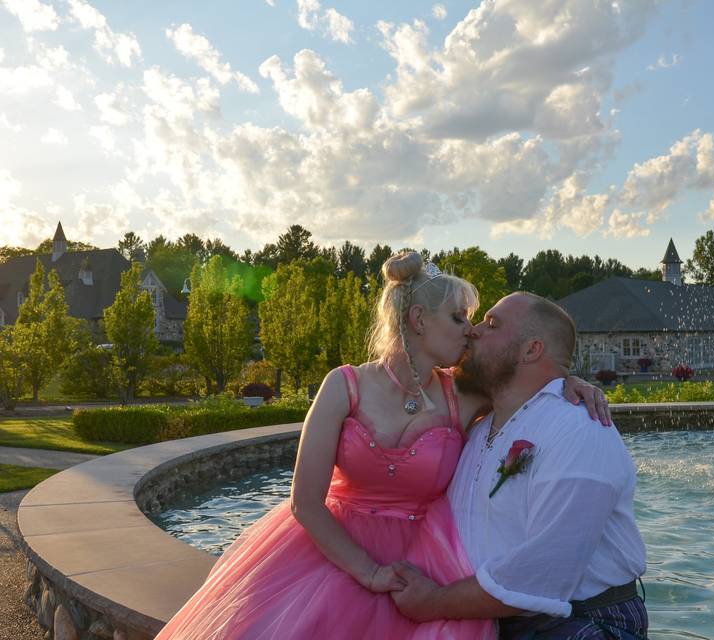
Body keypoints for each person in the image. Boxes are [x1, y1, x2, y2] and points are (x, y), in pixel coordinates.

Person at [155, 253, 610, 639]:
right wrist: (367, 572)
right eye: (458, 318)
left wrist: (570, 380)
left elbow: (526, 376)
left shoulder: (464, 395)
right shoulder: (343, 386)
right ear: (417, 321)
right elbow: (305, 502)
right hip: (331, 550)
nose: (469, 331)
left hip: (424, 559)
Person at [389, 292, 648, 639]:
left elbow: (546, 571)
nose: (473, 331)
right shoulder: (480, 425)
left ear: (531, 350)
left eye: (491, 324)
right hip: (483, 617)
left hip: (577, 623)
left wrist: (433, 601)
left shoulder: (578, 428)